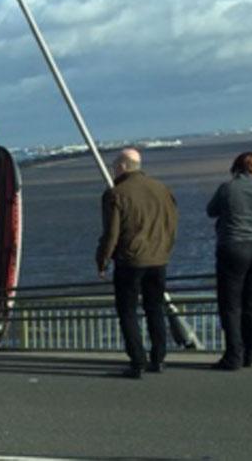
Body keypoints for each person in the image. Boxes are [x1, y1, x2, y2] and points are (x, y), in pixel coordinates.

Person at [96, 148, 179, 379]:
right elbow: (171, 224)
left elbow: (111, 234)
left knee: (128, 311)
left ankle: (137, 360)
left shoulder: (115, 194)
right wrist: (165, 249)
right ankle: (159, 358)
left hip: (130, 261)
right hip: (158, 259)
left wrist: (102, 261)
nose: (113, 170)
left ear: (123, 166)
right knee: (155, 308)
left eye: (115, 166)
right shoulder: (162, 189)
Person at [207, 152, 252, 370]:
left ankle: (234, 355)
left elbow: (211, 211)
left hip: (233, 246)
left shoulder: (227, 189)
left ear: (236, 168)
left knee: (231, 304)